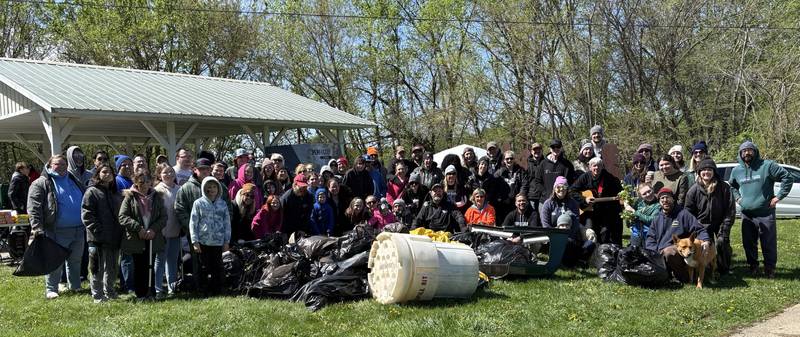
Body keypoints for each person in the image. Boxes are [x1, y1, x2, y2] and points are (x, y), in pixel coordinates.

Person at [729, 141, 793, 278]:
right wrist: (738, 199)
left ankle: (770, 269)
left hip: (765, 213)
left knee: (768, 243)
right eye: (744, 150)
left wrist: (778, 197)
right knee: (748, 243)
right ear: (740, 153)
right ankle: (753, 267)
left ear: (755, 152)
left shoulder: (767, 165)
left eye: (750, 150)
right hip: (747, 214)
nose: (747, 153)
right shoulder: (737, 170)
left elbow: (787, 177)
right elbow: (731, 186)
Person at [27, 155, 86, 299]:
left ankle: (75, 285)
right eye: (56, 164)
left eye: (63, 164)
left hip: (78, 229)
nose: (60, 167)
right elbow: (34, 207)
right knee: (55, 260)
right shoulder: (41, 183)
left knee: (75, 260)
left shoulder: (73, 179)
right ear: (49, 165)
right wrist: (36, 228)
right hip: (56, 230)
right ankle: (51, 289)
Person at [645, 188, 709, 283]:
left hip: (678, 250)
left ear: (673, 199)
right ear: (659, 201)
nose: (665, 200)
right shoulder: (657, 218)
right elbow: (650, 238)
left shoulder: (683, 214)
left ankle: (684, 277)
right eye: (662, 198)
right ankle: (667, 276)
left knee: (669, 252)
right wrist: (653, 251)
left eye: (668, 197)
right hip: (659, 250)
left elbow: (698, 229)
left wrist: (706, 240)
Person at [118, 172, 166, 299]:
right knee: (139, 266)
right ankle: (141, 293)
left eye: (146, 181)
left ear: (151, 182)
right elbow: (123, 217)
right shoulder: (129, 197)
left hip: (153, 236)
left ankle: (152, 292)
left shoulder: (157, 196)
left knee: (151, 264)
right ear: (136, 183)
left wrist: (153, 230)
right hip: (136, 238)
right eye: (141, 182)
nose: (144, 184)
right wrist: (138, 229)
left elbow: (163, 217)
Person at [685, 158, 735, 275]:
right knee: (704, 245)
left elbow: (730, 209)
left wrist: (726, 226)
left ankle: (724, 269)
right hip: (701, 224)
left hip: (721, 222)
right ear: (699, 172)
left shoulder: (724, 187)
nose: (706, 172)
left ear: (714, 172)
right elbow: (688, 212)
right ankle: (705, 267)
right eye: (703, 170)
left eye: (709, 170)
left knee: (722, 242)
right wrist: (696, 227)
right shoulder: (693, 190)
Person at [81, 163, 123, 303]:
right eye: (104, 172)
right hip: (97, 237)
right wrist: (97, 229)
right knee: (97, 268)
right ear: (98, 174)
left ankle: (110, 291)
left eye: (110, 172)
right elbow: (87, 214)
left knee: (112, 268)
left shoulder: (114, 192)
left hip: (114, 236)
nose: (107, 174)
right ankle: (97, 295)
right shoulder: (91, 191)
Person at [188, 176, 231, 297]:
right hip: (203, 242)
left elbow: (227, 223)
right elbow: (193, 223)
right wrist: (195, 241)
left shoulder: (222, 204)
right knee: (203, 268)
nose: (211, 189)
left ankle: (218, 289)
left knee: (218, 267)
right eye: (208, 187)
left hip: (218, 242)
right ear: (204, 188)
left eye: (214, 187)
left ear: (218, 189)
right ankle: (203, 290)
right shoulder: (198, 203)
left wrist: (226, 241)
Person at [540, 176, 595, 267]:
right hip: (554, 234)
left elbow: (576, 222)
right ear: (554, 189)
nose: (561, 190)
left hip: (571, 233)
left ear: (567, 189)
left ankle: (583, 259)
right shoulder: (548, 204)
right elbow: (545, 224)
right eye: (558, 187)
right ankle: (576, 260)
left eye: (564, 187)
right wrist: (557, 236)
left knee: (591, 237)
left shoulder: (573, 203)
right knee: (566, 244)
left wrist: (570, 236)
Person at [570, 157, 624, 245]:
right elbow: (572, 191)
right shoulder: (585, 177)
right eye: (594, 166)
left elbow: (619, 189)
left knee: (605, 231)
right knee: (590, 232)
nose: (597, 168)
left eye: (599, 166)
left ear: (602, 167)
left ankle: (603, 250)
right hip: (589, 211)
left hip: (604, 211)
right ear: (590, 167)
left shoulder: (608, 177)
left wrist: (620, 195)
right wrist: (584, 199)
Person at [153, 163, 181, 297]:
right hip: (161, 232)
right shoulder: (157, 190)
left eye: (171, 172)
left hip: (176, 230)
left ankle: (172, 287)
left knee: (173, 260)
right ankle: (158, 288)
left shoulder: (179, 189)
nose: (169, 175)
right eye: (165, 172)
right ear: (159, 175)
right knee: (160, 261)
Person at [535, 139, 576, 213]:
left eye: (558, 147)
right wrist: (545, 193)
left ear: (561, 148)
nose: (556, 149)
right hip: (545, 200)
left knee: (562, 223)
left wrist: (565, 193)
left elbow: (572, 182)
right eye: (553, 147)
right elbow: (538, 181)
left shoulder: (567, 164)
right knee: (545, 223)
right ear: (550, 149)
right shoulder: (543, 164)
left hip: (563, 202)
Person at [495, 150, 526, 219]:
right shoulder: (499, 172)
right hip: (503, 202)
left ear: (514, 159)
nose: (509, 160)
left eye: (511, 158)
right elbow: (495, 187)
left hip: (517, 202)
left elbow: (524, 184)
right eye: (507, 159)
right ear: (504, 160)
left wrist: (520, 196)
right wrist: (501, 198)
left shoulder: (520, 171)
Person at [520, 142, 544, 212]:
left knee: (543, 218)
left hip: (543, 196)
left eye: (538, 149)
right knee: (533, 217)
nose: (537, 151)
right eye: (534, 150)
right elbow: (524, 181)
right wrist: (522, 194)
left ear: (542, 150)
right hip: (531, 196)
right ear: (531, 151)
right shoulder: (526, 164)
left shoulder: (546, 163)